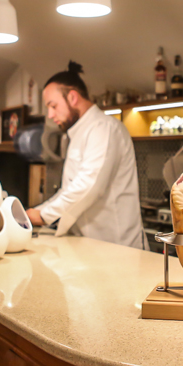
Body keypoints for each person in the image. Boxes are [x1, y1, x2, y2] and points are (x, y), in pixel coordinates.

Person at [26, 61, 145, 249]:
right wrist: (36, 211)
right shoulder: (77, 132)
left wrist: (43, 215)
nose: (49, 114)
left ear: (73, 97)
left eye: (53, 105)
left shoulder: (103, 128)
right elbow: (69, 189)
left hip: (117, 247)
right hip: (91, 245)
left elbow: (89, 185)